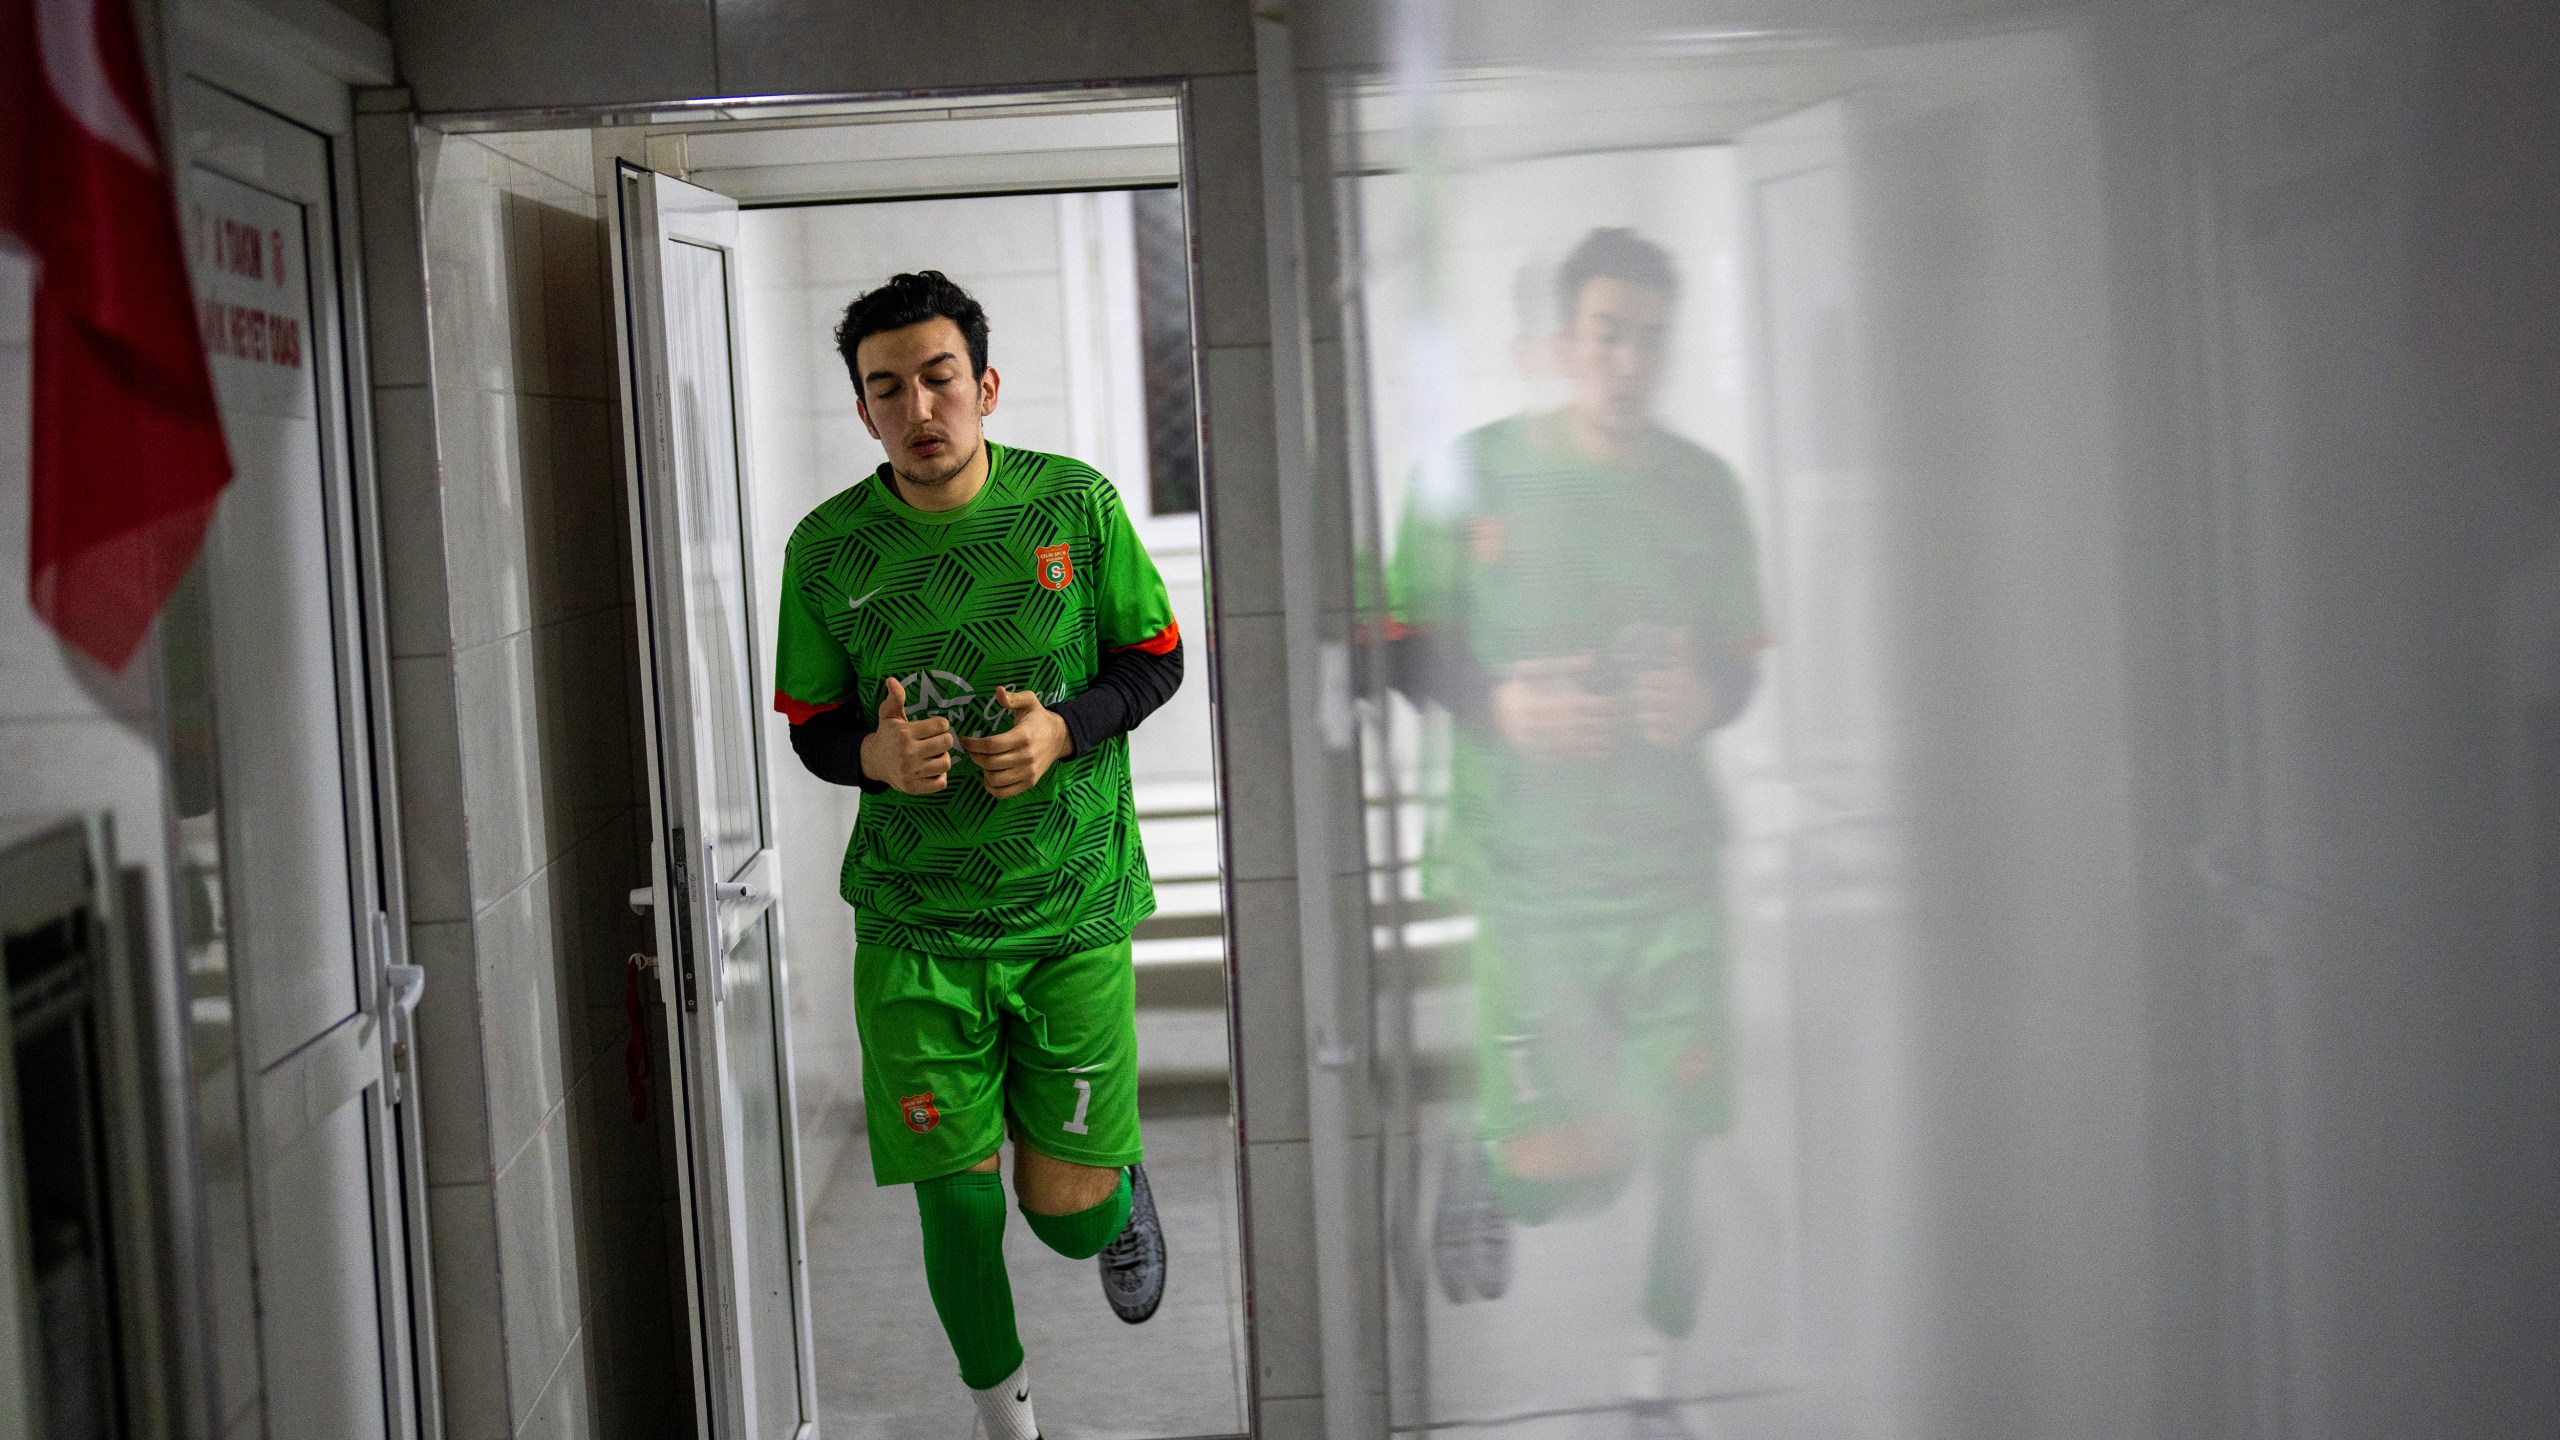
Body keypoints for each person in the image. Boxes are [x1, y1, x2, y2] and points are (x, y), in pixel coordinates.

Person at [772, 270, 1183, 1440]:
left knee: (1061, 1218)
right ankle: (1005, 1422)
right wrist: (875, 761)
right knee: (956, 1210)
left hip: (1071, 907)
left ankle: (1109, 1181)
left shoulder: (1075, 509)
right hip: (915, 928)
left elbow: (1153, 657)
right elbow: (812, 729)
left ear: (985, 385)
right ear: (864, 412)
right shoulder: (828, 549)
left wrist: (1065, 728)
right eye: (886, 389)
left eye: (938, 377)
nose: (918, 408)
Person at [1388, 228, 1765, 1437]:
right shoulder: (1470, 476)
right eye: (1606, 332)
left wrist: (1702, 696)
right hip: (1530, 877)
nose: (1627, 360)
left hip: (1668, 870)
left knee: (1685, 1134)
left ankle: (1655, 1383)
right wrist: (1502, 701)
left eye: (1650, 337)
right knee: (1563, 1178)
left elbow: (1739, 664)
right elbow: (1402, 645)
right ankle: (1486, 1169)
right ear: (1561, 341)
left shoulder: (1703, 488)